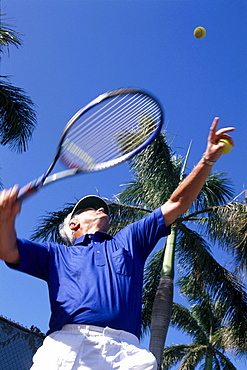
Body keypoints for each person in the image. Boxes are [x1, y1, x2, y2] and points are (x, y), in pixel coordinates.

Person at [0, 117, 235, 370]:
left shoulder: (129, 241)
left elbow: (177, 203)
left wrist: (208, 159)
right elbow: (7, 249)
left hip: (128, 354)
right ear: (73, 224)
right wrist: (6, 219)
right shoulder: (54, 254)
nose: (101, 207)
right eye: (89, 208)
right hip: (67, 345)